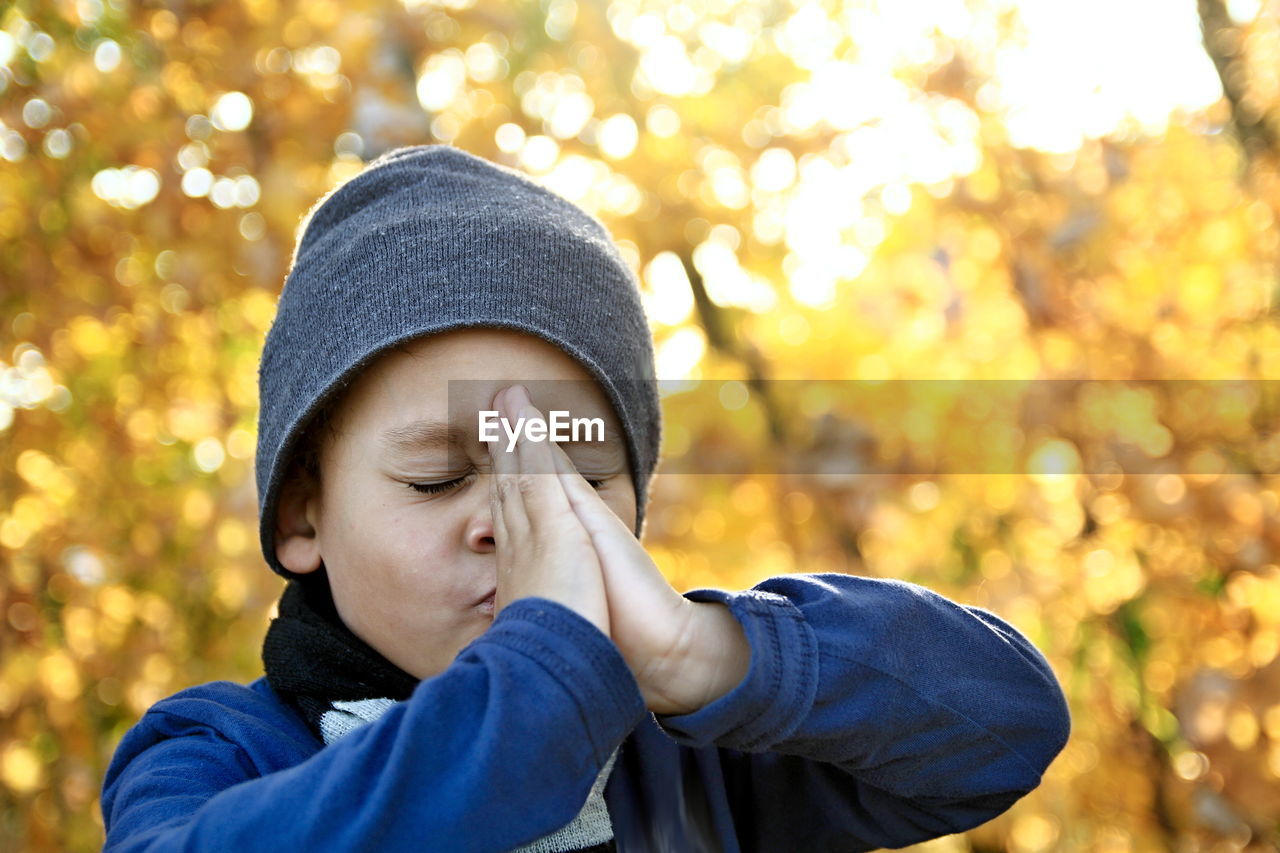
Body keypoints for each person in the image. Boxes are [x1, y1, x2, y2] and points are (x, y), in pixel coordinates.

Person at [99, 144, 1071, 852]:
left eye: (571, 471)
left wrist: (701, 653)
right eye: (439, 475)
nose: (511, 518)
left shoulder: (696, 754)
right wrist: (541, 681)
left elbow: (1005, 727)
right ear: (302, 514)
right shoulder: (219, 753)